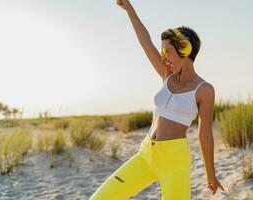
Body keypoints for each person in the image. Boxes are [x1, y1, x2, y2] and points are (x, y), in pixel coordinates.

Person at [89, 0, 225, 199]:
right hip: (145, 155)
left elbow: (205, 135)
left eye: (167, 52)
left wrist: (210, 174)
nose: (164, 58)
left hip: (174, 161)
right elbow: (145, 42)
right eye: (162, 52)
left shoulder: (204, 90)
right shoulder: (166, 74)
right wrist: (129, 9)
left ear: (185, 50)